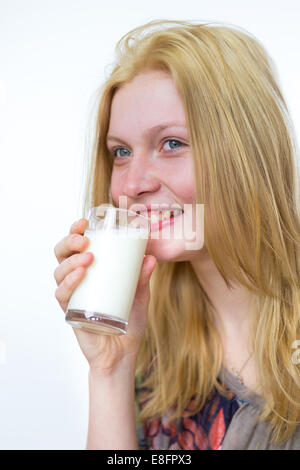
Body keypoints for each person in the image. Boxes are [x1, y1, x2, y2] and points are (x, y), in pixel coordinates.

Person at [53, 19, 300, 449]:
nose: (131, 186)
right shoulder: (155, 341)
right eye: (122, 152)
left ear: (248, 149)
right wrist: (110, 370)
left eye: (171, 144)